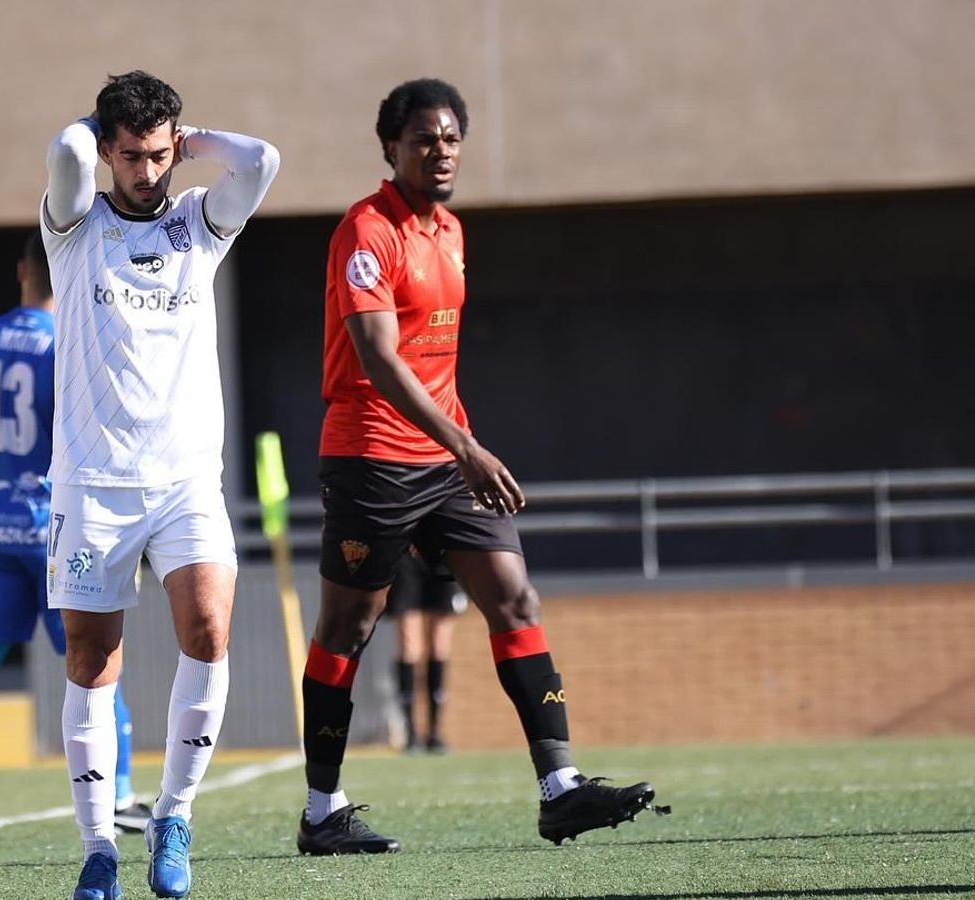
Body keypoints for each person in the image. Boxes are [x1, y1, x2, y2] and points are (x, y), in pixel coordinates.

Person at [297, 77, 659, 855]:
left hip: (444, 456)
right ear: (390, 147)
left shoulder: (453, 233)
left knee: (515, 599)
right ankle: (322, 810)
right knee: (348, 627)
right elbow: (379, 358)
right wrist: (469, 448)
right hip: (372, 455)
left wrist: (459, 446)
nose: (441, 149)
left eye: (452, 137)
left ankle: (560, 789)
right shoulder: (366, 231)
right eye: (425, 137)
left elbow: (436, 365)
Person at [40, 71, 278, 899]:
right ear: (109, 151)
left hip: (185, 482)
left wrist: (190, 138)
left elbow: (263, 161)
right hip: (91, 484)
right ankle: (100, 846)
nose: (150, 171)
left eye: (161, 154)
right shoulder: (73, 228)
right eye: (133, 155)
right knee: (89, 657)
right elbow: (65, 150)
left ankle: (174, 815)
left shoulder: (198, 225)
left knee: (209, 631)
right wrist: (96, 123)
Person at [0, 233, 151, 843]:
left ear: (21, 270)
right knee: (96, 660)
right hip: (56, 528)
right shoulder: (69, 343)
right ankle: (120, 792)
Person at [387, 546, 465, 753]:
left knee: (439, 645)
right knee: (408, 644)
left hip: (441, 551)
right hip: (403, 553)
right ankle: (411, 732)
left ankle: (434, 731)